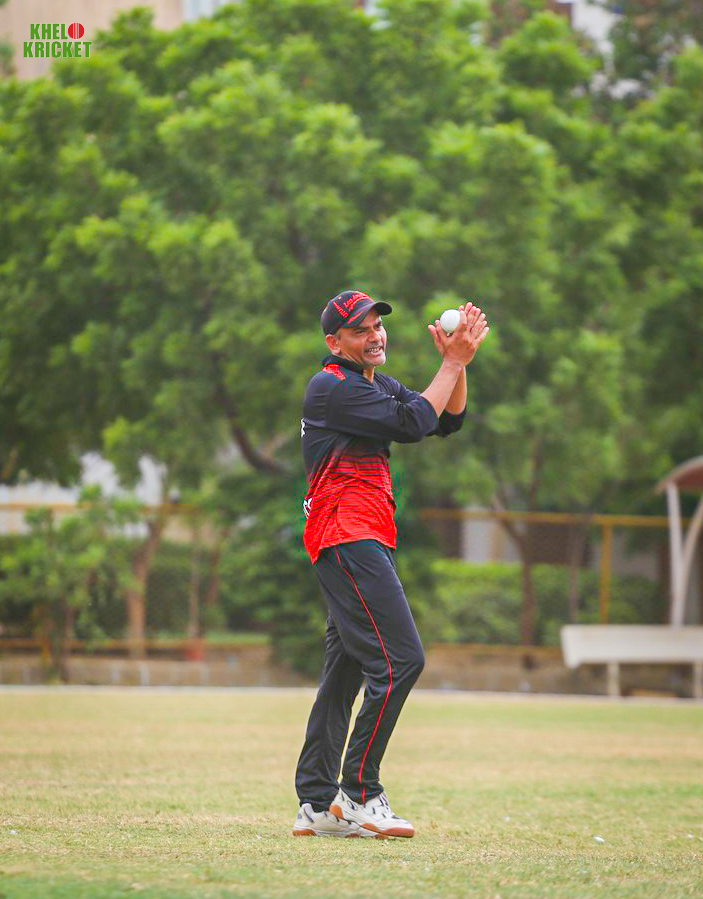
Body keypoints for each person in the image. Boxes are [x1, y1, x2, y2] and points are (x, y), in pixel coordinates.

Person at [292, 290, 489, 839]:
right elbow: (413, 423)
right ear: (335, 343)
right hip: (347, 535)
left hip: (356, 537)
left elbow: (445, 420)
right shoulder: (332, 385)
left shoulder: (371, 383)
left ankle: (316, 804)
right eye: (360, 330)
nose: (374, 335)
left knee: (345, 672)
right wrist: (452, 362)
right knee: (401, 661)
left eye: (377, 325)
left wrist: (456, 364)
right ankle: (359, 793)